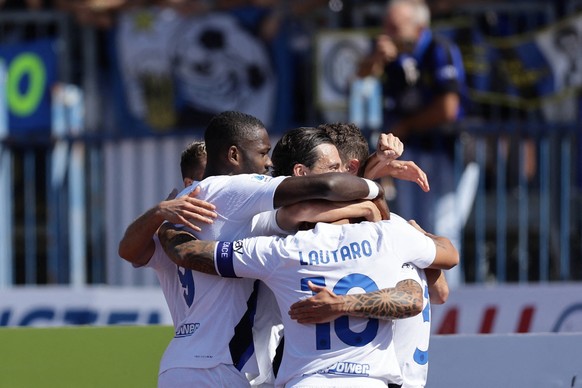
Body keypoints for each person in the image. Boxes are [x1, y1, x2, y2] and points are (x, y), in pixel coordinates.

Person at [119, 111, 389, 387]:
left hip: (179, 364)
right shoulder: (234, 187)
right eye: (262, 152)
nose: (268, 162)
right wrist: (373, 190)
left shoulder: (182, 207)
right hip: (221, 366)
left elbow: (128, 251)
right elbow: (326, 186)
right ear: (234, 155)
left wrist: (157, 215)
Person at [156, 213, 459, 387]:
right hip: (375, 381)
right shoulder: (392, 234)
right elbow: (425, 294)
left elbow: (188, 253)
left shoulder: (283, 247)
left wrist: (165, 222)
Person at [316, 122, 447, 387]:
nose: (313, 182)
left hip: (377, 378)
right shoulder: (403, 231)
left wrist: (376, 166)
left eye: (327, 169)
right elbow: (441, 291)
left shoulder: (330, 237)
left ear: (348, 168)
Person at [358, 0, 467, 288]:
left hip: (444, 150)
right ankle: (417, 293)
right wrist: (376, 61)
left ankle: (451, 300)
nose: (387, 33)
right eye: (386, 26)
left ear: (419, 27)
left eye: (394, 27)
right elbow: (358, 79)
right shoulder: (390, 55)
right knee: (409, 225)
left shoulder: (438, 49)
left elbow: (448, 108)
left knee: (443, 228)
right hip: (410, 153)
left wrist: (404, 127)